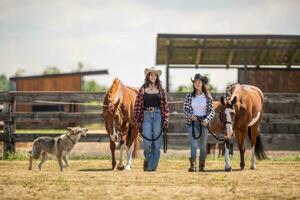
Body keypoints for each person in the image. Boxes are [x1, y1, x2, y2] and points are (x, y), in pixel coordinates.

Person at [133, 66, 169, 171]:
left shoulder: (161, 89)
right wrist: (136, 119)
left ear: (157, 76)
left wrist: (166, 119)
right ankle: (147, 159)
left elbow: (165, 106)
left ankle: (152, 168)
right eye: (151, 74)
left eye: (155, 75)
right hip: (146, 115)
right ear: (148, 76)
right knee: (147, 142)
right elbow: (137, 105)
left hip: (158, 115)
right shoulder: (143, 89)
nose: (153, 76)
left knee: (157, 143)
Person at [183, 73, 215, 172]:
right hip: (193, 122)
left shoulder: (208, 97)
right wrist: (190, 115)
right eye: (195, 82)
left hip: (203, 123)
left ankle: (202, 165)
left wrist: (207, 120)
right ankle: (193, 165)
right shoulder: (189, 96)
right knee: (193, 144)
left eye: (199, 82)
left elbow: (211, 111)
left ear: (202, 83)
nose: (196, 84)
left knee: (202, 145)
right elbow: (185, 109)